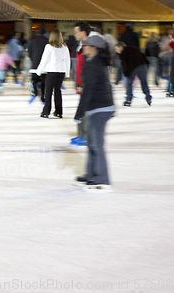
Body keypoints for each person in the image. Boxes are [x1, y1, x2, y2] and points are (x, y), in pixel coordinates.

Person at [74, 36, 114, 193]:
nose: (83, 48)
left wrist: (79, 113)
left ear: (94, 48)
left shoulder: (95, 65)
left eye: (86, 45)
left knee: (96, 144)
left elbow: (88, 92)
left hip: (101, 108)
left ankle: (102, 178)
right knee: (91, 143)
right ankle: (91, 174)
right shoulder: (93, 63)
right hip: (98, 107)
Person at [36, 29, 70, 119]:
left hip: (51, 71)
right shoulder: (64, 47)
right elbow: (67, 60)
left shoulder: (49, 47)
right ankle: (59, 112)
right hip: (61, 71)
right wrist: (67, 72)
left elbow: (45, 60)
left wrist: (39, 71)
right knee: (58, 91)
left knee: (48, 92)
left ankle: (46, 112)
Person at [115, 42, 152, 107]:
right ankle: (148, 98)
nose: (116, 51)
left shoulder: (123, 53)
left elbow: (124, 64)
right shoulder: (134, 48)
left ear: (120, 47)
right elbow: (143, 56)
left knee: (129, 84)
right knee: (144, 82)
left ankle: (128, 100)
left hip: (133, 68)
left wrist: (126, 74)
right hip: (142, 65)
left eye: (116, 49)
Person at [28, 27, 48, 104]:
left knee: (34, 79)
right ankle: (43, 97)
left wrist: (32, 59)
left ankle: (34, 92)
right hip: (44, 65)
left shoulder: (32, 41)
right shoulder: (47, 41)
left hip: (35, 64)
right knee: (43, 81)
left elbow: (29, 52)